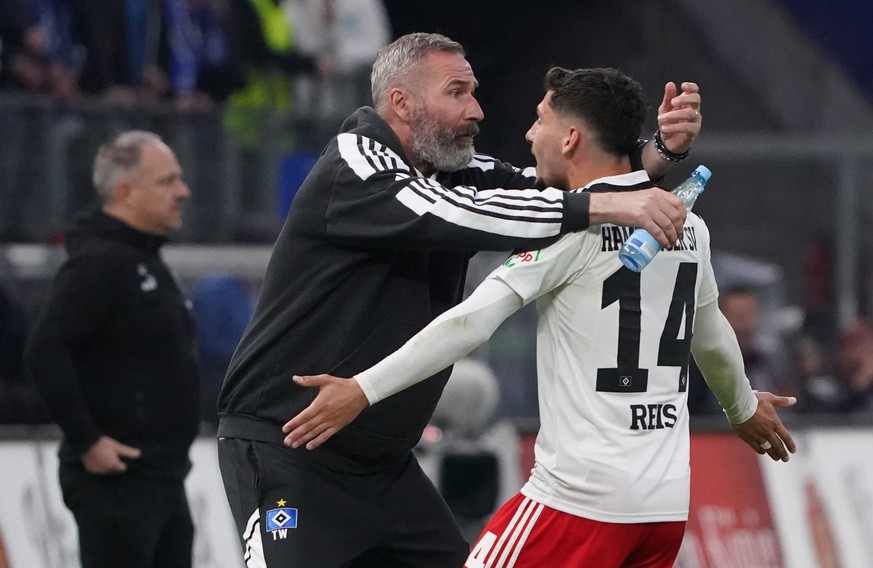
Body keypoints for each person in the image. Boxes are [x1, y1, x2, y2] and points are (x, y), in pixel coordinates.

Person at [216, 32, 701, 567]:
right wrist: (608, 208)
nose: (476, 109)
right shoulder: (355, 162)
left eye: (474, 92)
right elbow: (457, 214)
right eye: (457, 92)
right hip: (290, 449)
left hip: (384, 466)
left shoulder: (455, 170)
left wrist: (656, 154)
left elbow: (552, 187)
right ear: (402, 102)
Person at [284, 66, 798, 567]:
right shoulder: (688, 228)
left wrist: (362, 389)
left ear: (570, 138)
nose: (530, 134)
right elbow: (709, 335)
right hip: (661, 510)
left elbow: (470, 323)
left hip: (577, 503)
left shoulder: (565, 228)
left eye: (540, 120)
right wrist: (742, 407)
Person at [24, 130, 200, 568]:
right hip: (120, 483)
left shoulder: (144, 258)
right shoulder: (101, 263)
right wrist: (87, 440)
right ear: (125, 192)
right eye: (167, 181)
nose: (183, 191)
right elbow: (45, 348)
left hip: (161, 476)